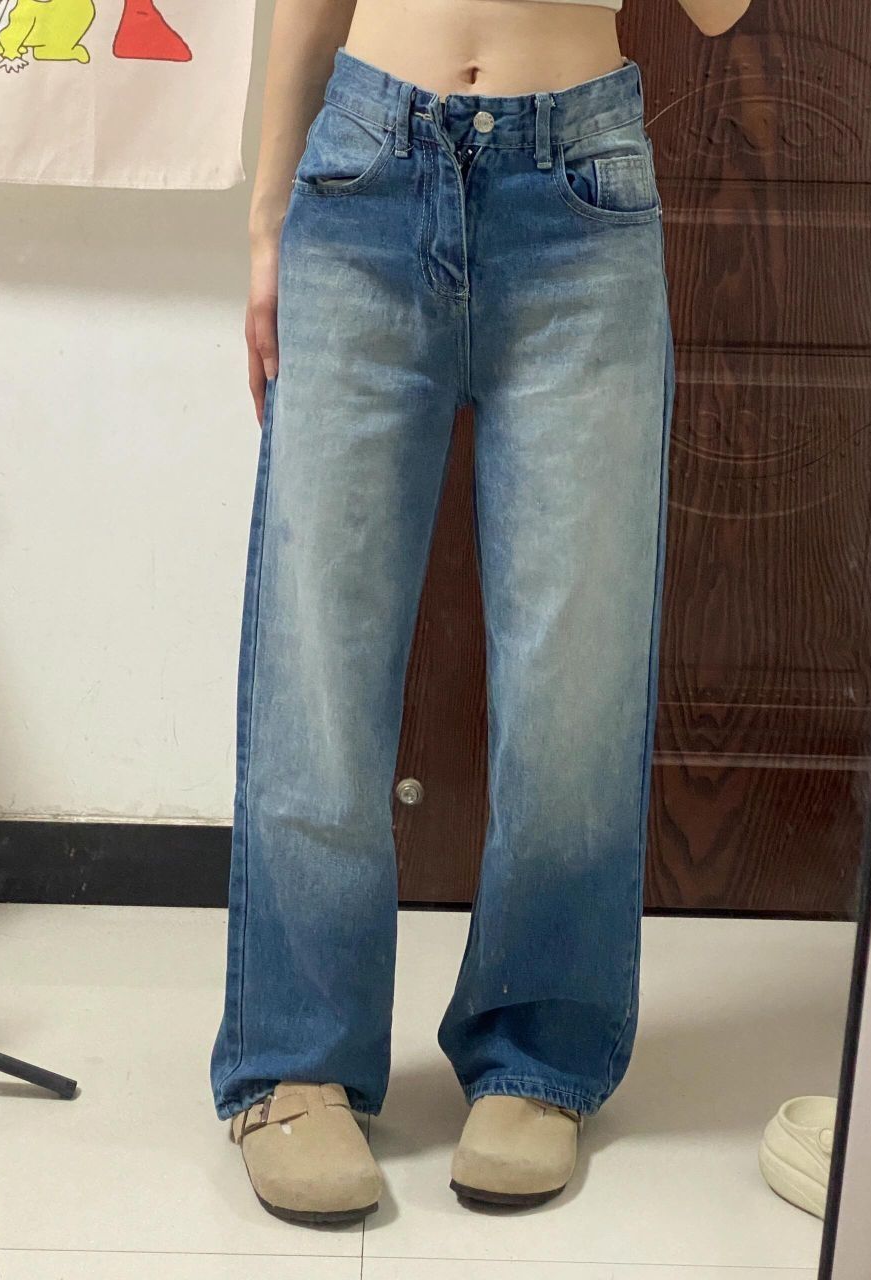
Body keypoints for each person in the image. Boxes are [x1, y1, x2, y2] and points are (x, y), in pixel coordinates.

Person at [211, 0, 751, 1225]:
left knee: (577, 672)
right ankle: (295, 1057)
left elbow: (719, 12)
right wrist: (266, 221)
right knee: (317, 651)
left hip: (581, 196)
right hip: (364, 175)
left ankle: (538, 1052)